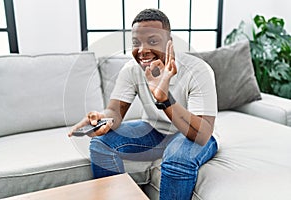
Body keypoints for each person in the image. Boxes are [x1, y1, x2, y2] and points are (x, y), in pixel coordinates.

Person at [69, 8, 219, 200]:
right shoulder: (131, 69)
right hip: (154, 132)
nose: (142, 50)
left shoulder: (198, 71)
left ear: (169, 43)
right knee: (100, 144)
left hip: (192, 135)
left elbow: (202, 133)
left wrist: (164, 99)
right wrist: (102, 118)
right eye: (135, 43)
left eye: (153, 41)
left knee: (177, 158)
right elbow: (115, 110)